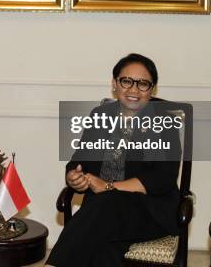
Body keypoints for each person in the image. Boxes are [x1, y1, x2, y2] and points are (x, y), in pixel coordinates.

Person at [46, 53, 182, 267]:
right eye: (126, 81)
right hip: (103, 212)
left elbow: (162, 178)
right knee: (105, 247)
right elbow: (78, 160)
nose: (134, 90)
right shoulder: (100, 115)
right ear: (115, 83)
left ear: (152, 88)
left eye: (143, 84)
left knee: (107, 203)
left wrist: (109, 186)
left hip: (149, 211)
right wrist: (74, 177)